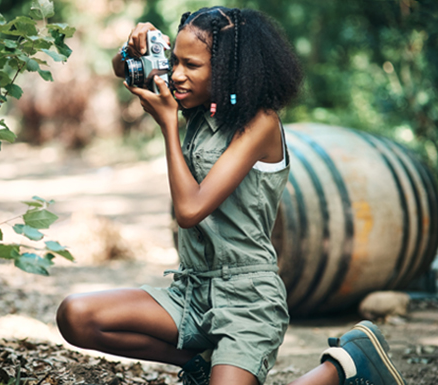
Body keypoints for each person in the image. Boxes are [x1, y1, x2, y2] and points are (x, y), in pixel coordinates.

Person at [56, 6, 408, 385]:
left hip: (248, 300)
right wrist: (132, 50)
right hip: (190, 292)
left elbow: (189, 211)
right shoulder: (196, 105)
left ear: (227, 70)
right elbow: (119, 69)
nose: (176, 75)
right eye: (174, 61)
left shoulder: (259, 123)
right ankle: (199, 364)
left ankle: (343, 367)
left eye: (191, 65)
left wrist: (168, 128)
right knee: (75, 315)